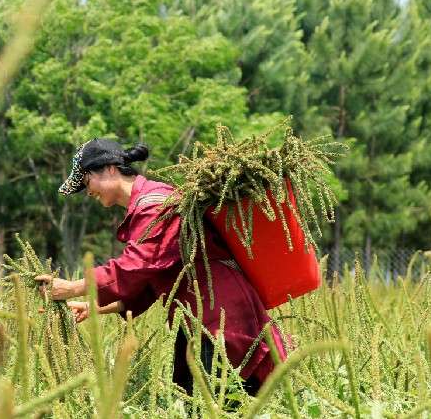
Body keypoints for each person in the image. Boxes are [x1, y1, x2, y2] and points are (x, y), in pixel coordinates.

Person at [35, 138, 287, 396]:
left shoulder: (157, 203)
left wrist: (72, 287)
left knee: (219, 403)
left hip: (219, 315)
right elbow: (148, 285)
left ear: (110, 168)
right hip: (197, 316)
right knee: (203, 404)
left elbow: (136, 266)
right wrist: (93, 307)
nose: (88, 192)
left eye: (86, 181)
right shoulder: (147, 204)